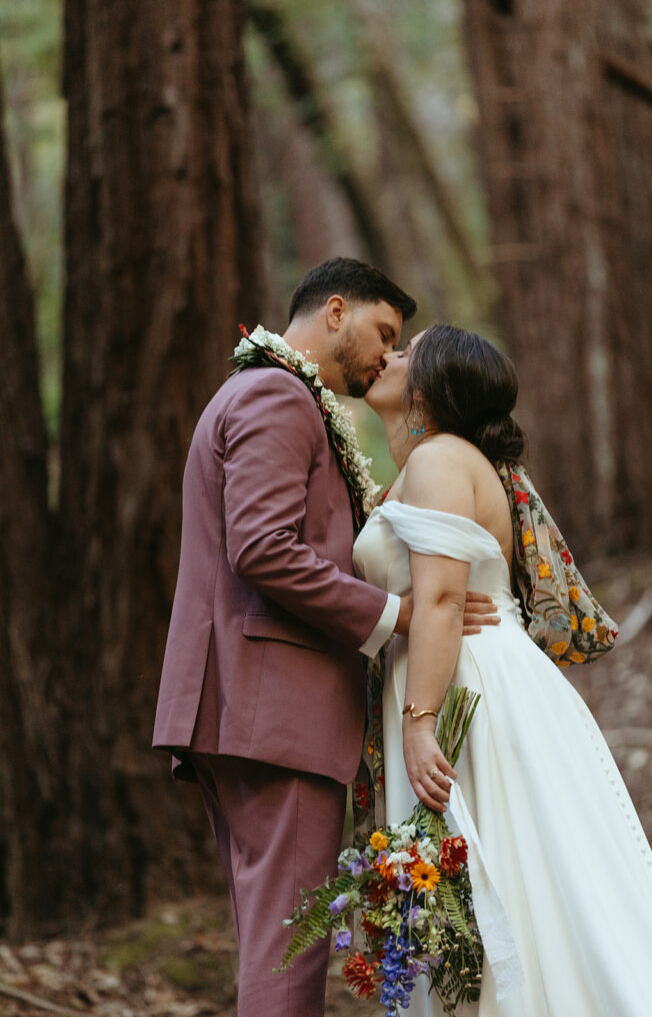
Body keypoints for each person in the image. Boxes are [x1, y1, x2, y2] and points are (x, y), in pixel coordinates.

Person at [152, 261, 498, 1017]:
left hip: (248, 709)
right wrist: (399, 616)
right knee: (289, 955)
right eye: (383, 333)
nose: (386, 355)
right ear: (334, 311)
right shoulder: (277, 394)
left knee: (272, 944)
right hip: (273, 716)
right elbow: (263, 548)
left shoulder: (266, 393)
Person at [354, 323, 652, 1016]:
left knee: (507, 875)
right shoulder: (428, 464)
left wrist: (419, 725)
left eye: (407, 350)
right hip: (446, 678)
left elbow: (441, 600)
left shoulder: (442, 457)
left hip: (466, 689)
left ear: (429, 388)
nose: (389, 353)